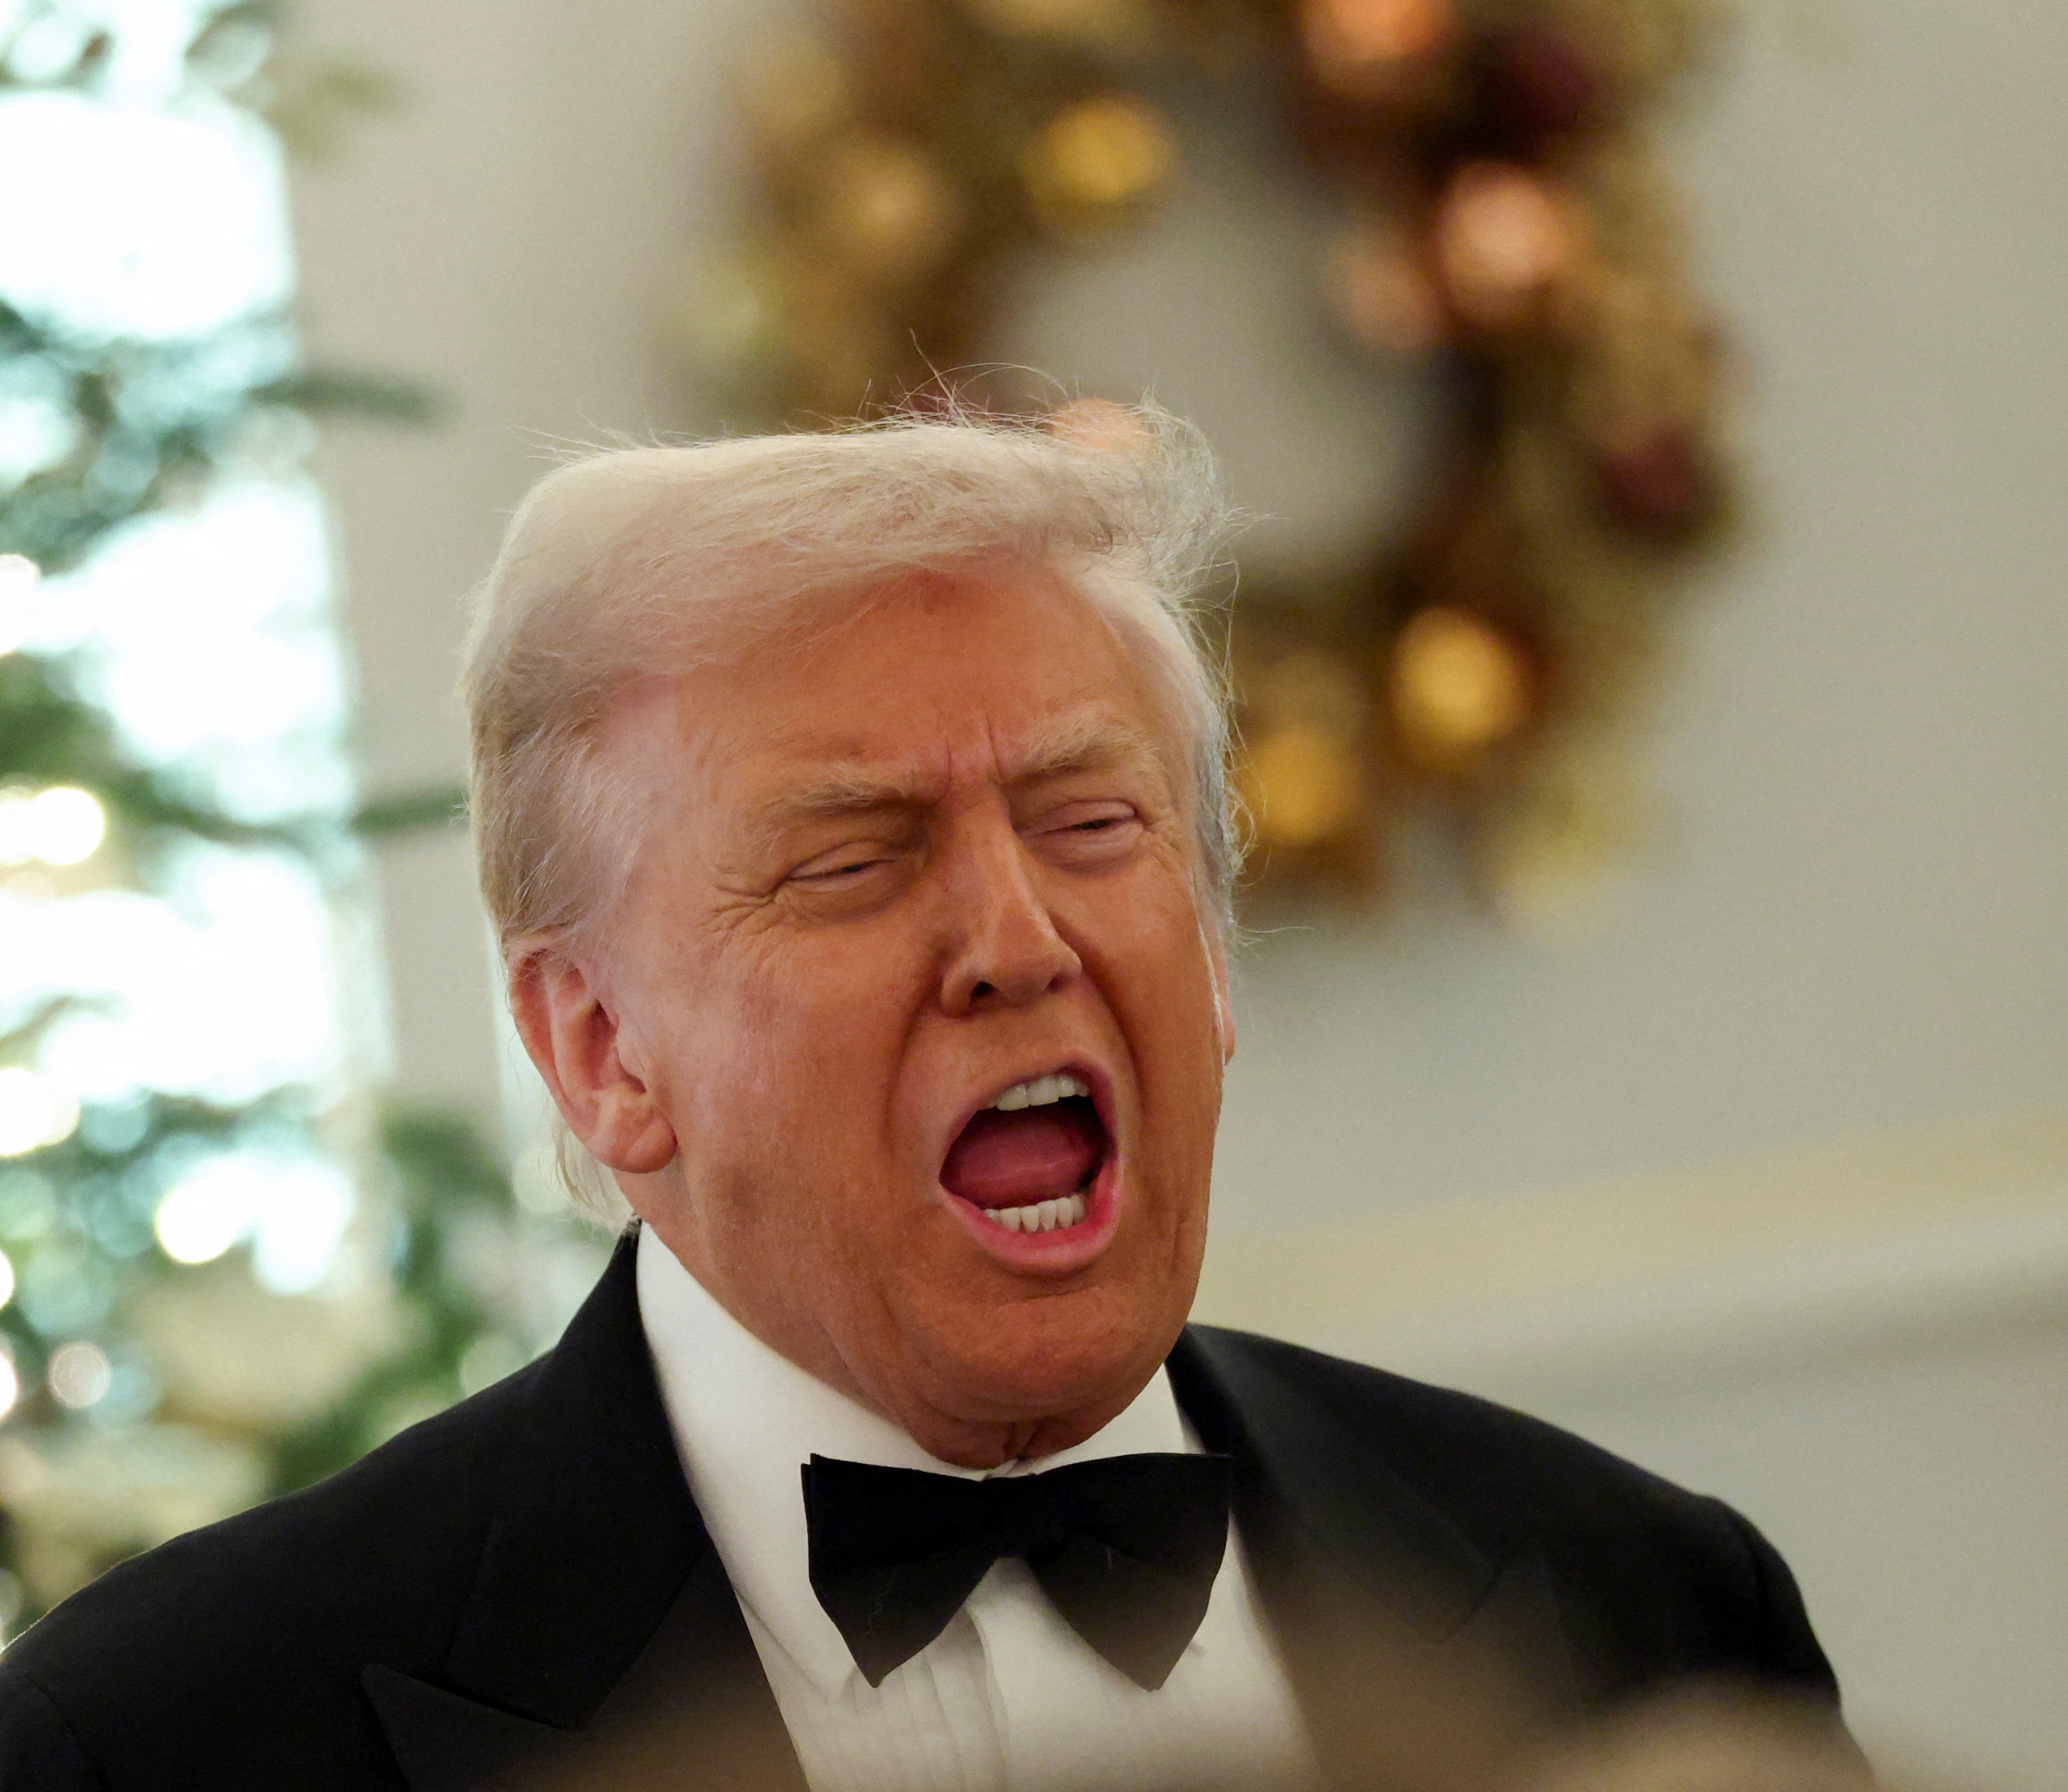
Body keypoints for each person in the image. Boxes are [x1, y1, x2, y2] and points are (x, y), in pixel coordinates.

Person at [0, 406, 1849, 1791]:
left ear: (1211, 957)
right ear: (599, 1054)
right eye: (852, 860)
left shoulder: (1650, 1609)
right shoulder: (161, 1745)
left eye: (1090, 824)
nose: (1014, 939)